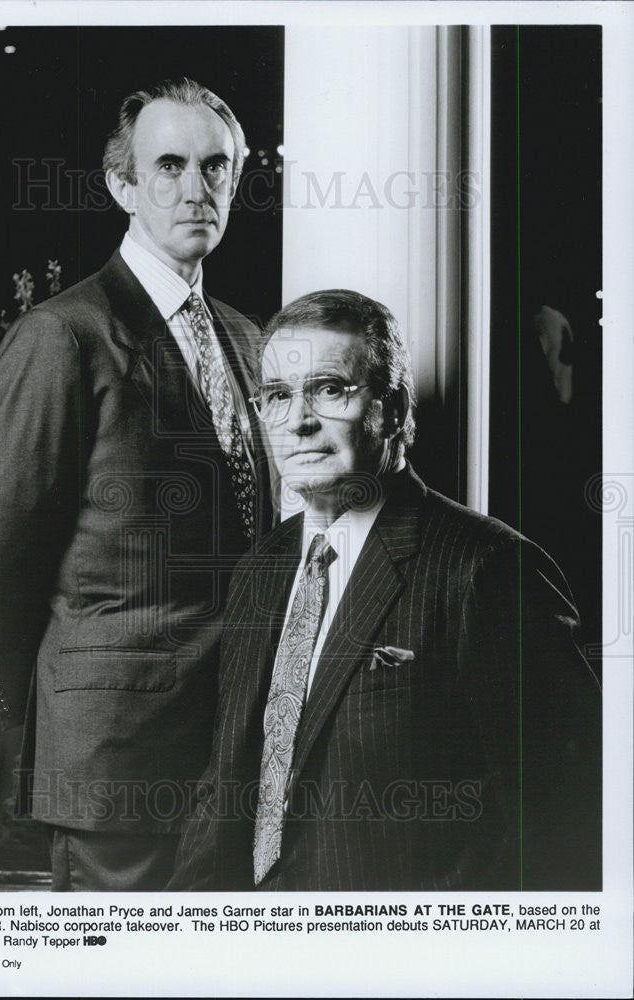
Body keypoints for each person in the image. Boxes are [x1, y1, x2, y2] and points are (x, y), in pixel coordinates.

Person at [171, 289, 601, 892]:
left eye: (329, 389)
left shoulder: (488, 568)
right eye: (278, 396)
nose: (298, 420)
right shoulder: (261, 568)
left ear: (392, 411)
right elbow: (222, 789)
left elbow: (564, 820)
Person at [0, 78, 274, 891]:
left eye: (217, 167)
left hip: (232, 750)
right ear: (122, 185)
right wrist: (38, 716)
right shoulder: (62, 335)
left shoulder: (246, 338)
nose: (195, 189)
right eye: (168, 165)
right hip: (112, 759)